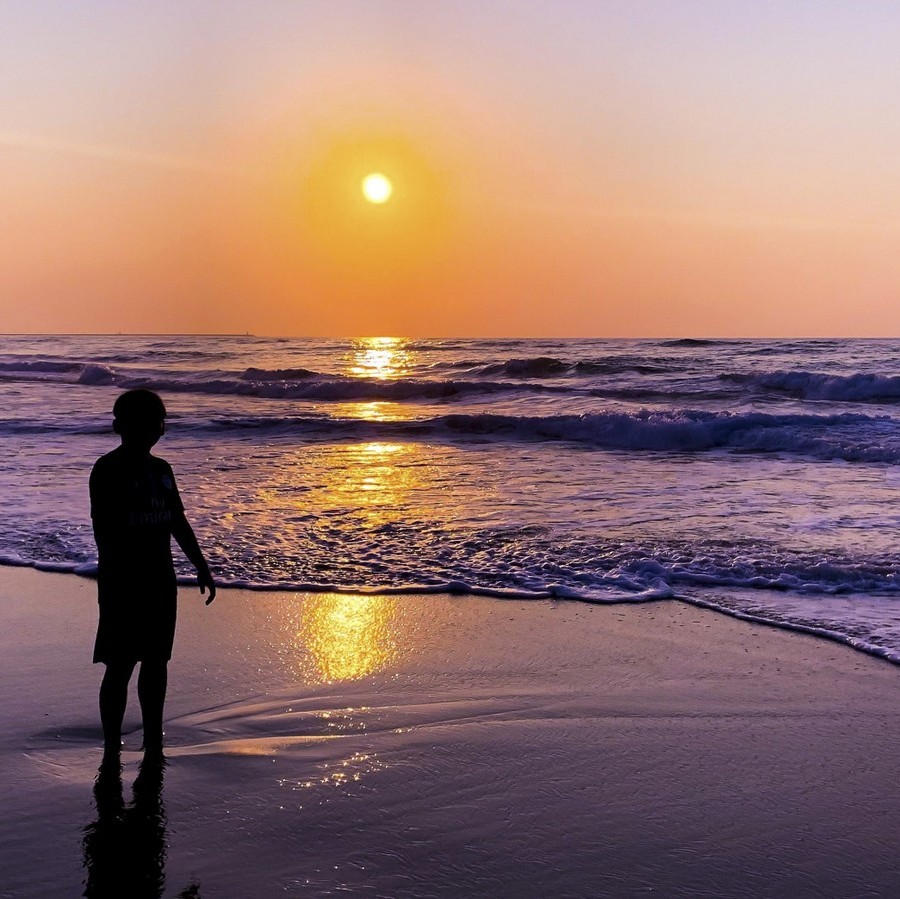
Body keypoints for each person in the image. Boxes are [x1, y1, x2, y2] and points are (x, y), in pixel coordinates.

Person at [90, 389, 216, 756]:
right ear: (121, 427)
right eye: (148, 421)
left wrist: (201, 565)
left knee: (157, 661)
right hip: (123, 582)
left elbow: (177, 519)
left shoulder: (161, 470)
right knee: (120, 664)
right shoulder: (108, 469)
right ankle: (111, 744)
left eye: (159, 421)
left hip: (161, 580)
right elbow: (104, 532)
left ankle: (152, 737)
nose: (156, 429)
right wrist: (119, 578)